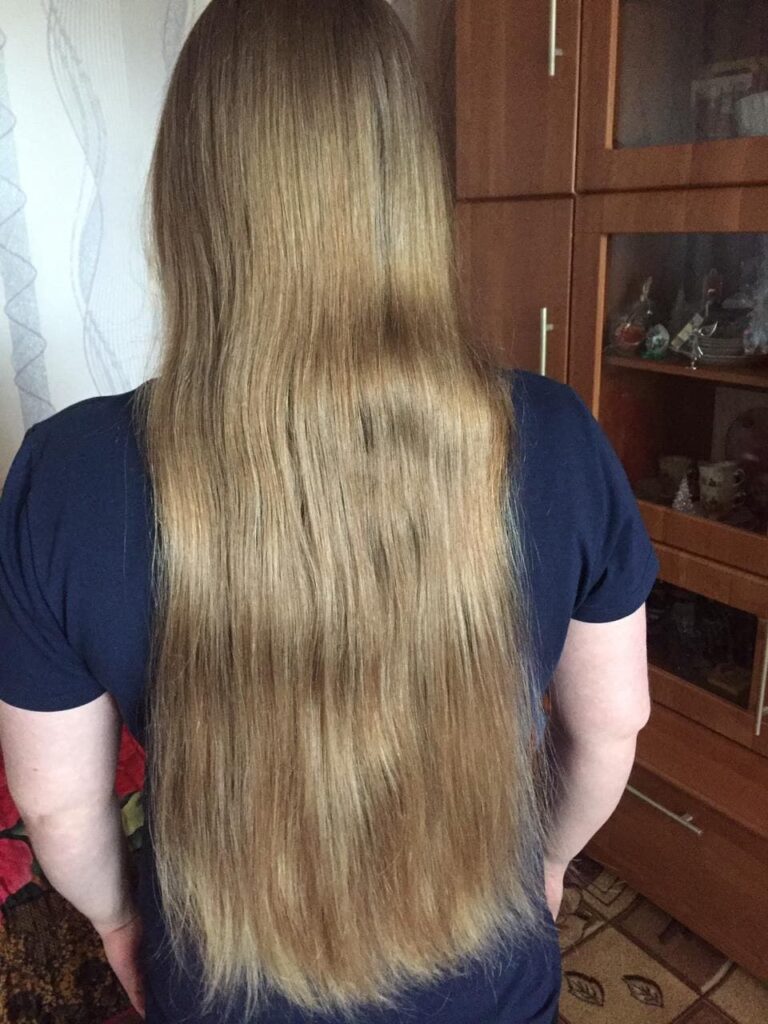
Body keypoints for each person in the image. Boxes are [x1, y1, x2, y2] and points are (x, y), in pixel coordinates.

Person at [0, 1, 658, 1021]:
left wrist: (120, 922)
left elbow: (57, 804)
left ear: (190, 194)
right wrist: (547, 863)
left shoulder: (68, 474)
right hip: (491, 981)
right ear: (408, 184)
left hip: (219, 989)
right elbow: (611, 725)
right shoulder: (557, 437)